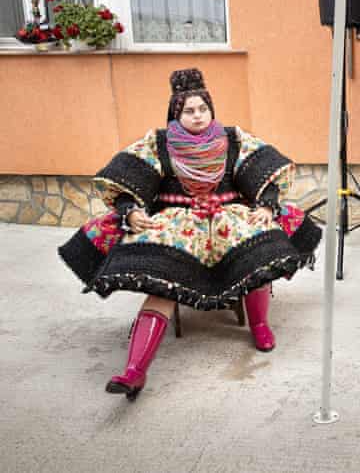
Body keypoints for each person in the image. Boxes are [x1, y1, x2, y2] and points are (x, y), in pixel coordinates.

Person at [59, 68, 321, 399]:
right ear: (176, 113)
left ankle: (259, 325)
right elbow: (127, 176)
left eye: (202, 109)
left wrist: (267, 205)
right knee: (163, 281)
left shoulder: (233, 139)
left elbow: (263, 169)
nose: (197, 116)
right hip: (177, 221)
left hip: (228, 216)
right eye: (189, 111)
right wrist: (131, 210)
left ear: (211, 110)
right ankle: (134, 371)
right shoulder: (158, 143)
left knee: (259, 251)